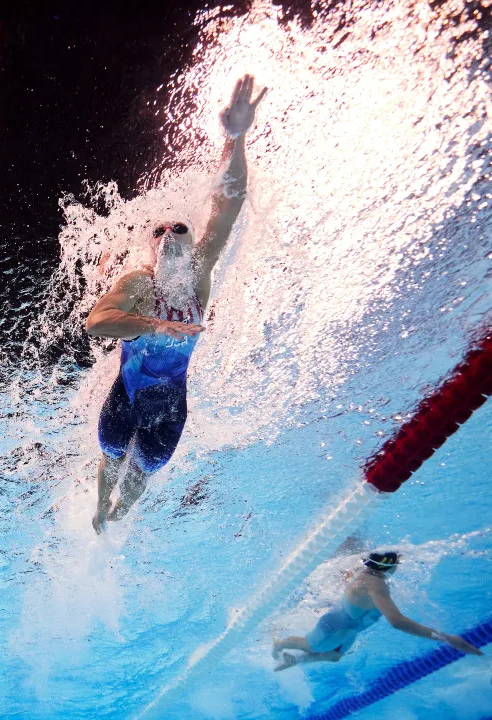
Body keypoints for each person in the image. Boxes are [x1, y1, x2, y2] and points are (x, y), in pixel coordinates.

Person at [86, 75, 266, 533]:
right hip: (126, 395)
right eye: (159, 231)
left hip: (170, 404)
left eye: (178, 230)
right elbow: (98, 322)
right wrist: (151, 324)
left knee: (144, 468)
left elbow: (227, 208)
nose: (169, 235)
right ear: (150, 248)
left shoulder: (199, 273)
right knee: (110, 454)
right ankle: (99, 503)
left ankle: (119, 511)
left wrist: (237, 138)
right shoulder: (139, 284)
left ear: (191, 245)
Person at [273, 552, 483, 670]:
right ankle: (278, 643)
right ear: (389, 567)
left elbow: (349, 580)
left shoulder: (365, 574)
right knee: (309, 645)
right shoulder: (376, 585)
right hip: (335, 627)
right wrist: (443, 637)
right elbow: (397, 621)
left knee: (333, 657)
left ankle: (294, 660)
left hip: (346, 628)